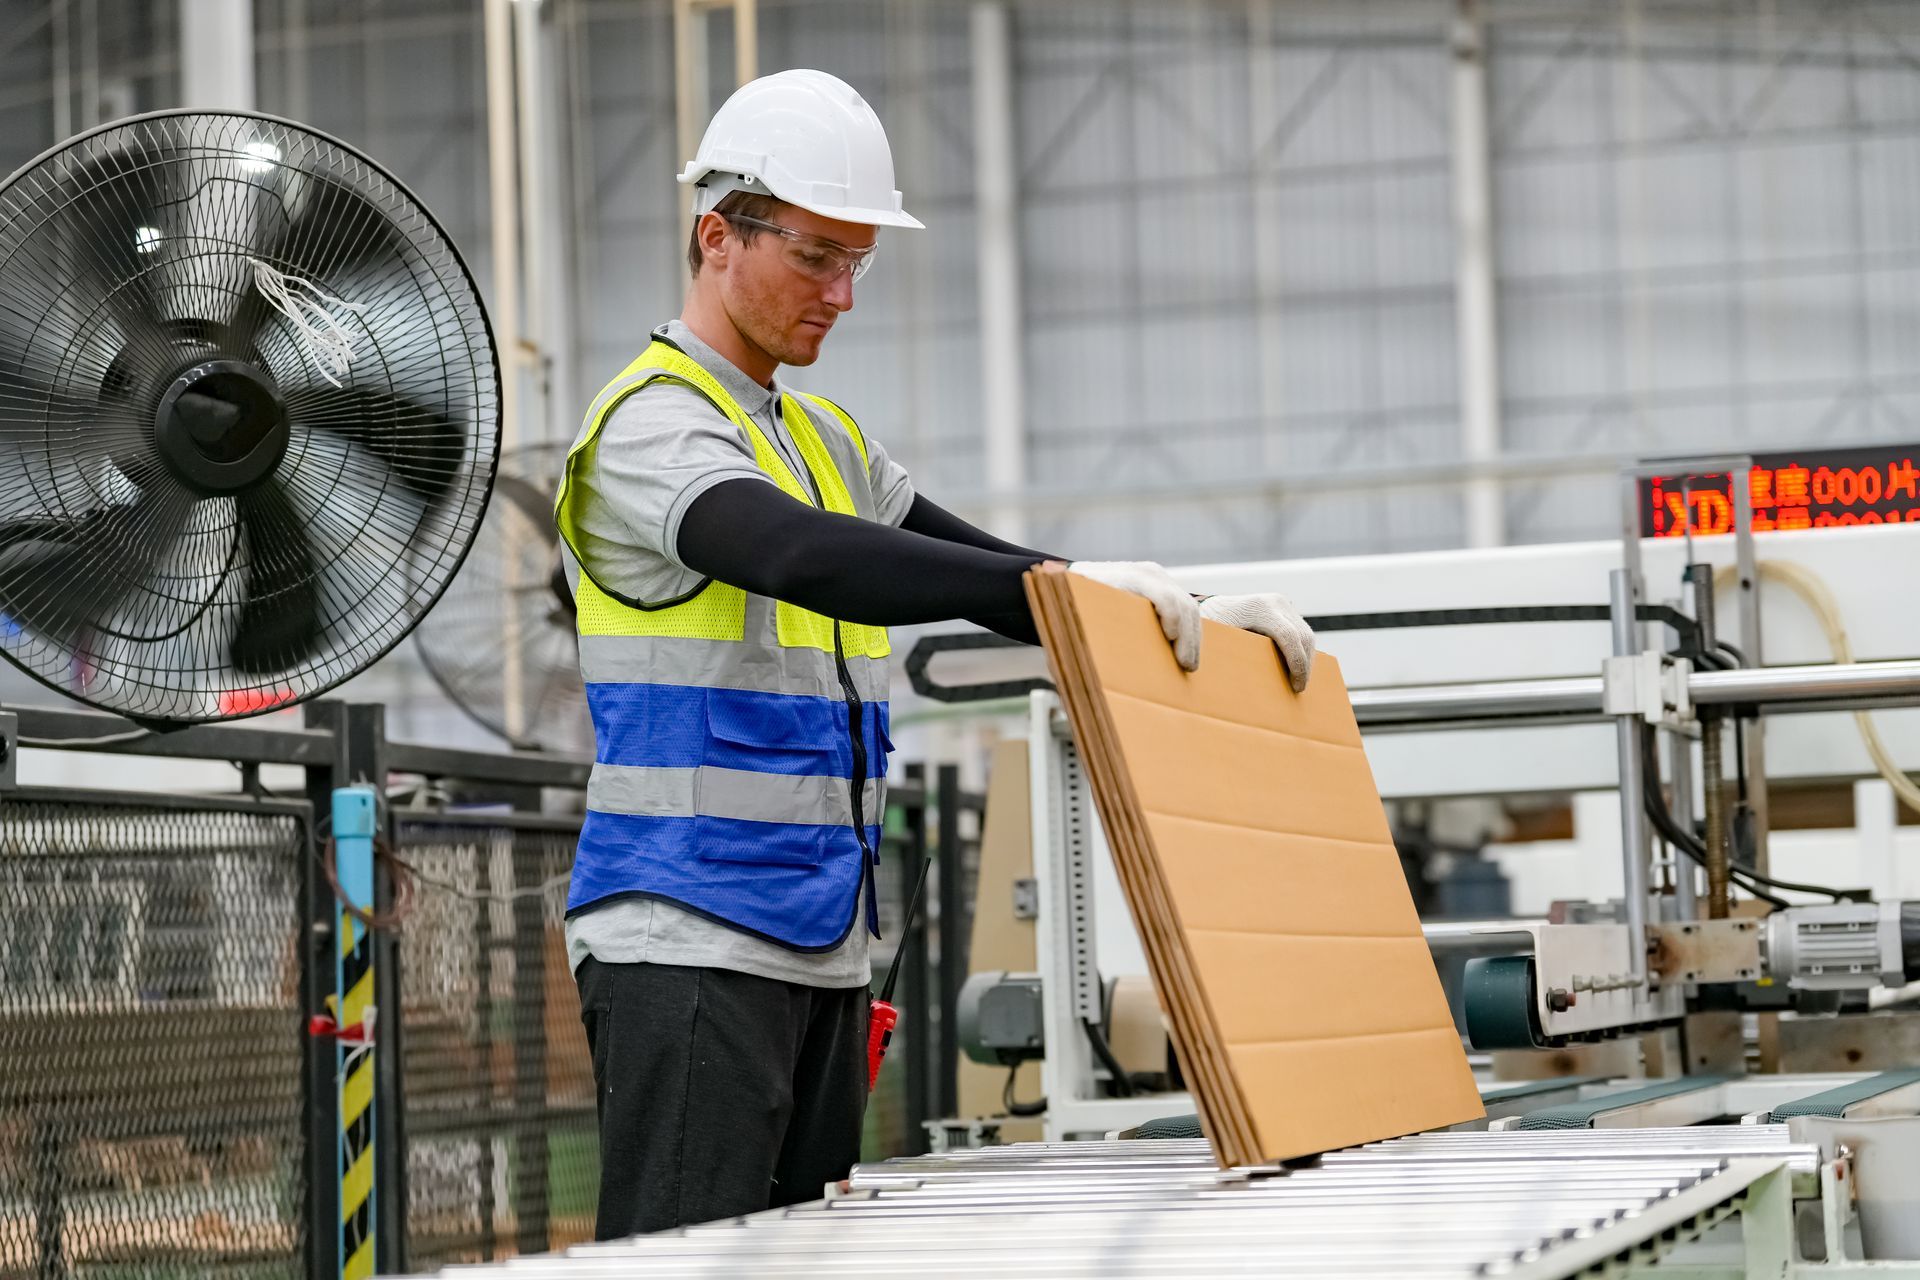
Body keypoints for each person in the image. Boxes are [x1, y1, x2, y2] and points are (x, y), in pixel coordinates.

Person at [554, 67, 1315, 1239]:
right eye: (817, 256)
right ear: (718, 233)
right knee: (680, 1264)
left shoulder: (823, 434)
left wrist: (1188, 618)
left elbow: (993, 573)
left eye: (859, 260)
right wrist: (1058, 589)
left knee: (788, 1260)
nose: (843, 295)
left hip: (815, 938)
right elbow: (805, 556)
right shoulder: (650, 424)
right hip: (688, 931)